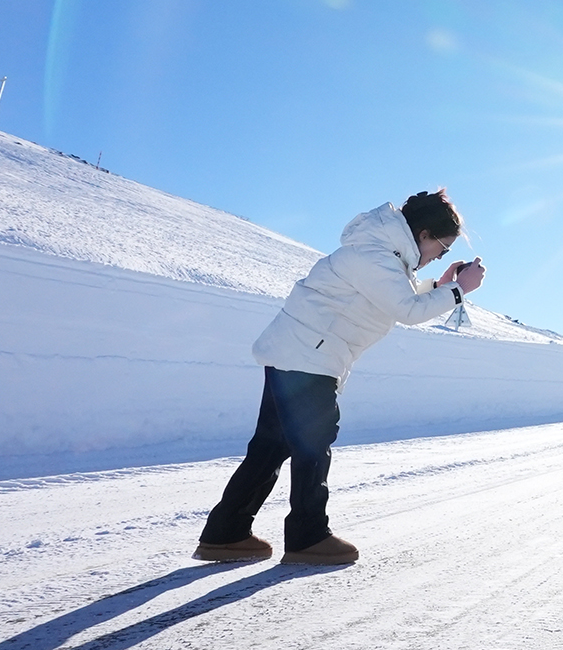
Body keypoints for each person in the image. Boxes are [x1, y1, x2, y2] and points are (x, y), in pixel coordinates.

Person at [193, 189, 486, 565]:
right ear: (424, 234)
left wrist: (442, 286)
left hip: (297, 351)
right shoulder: (376, 255)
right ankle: (307, 537)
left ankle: (226, 533)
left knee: (271, 446)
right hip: (310, 356)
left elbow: (392, 294)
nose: (439, 256)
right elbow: (406, 310)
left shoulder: (378, 251)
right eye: (442, 249)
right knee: (312, 445)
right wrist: (459, 290)